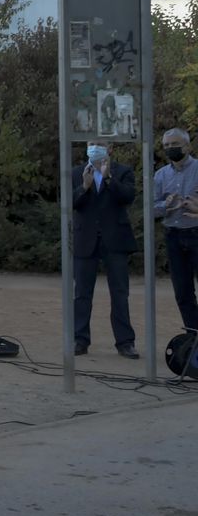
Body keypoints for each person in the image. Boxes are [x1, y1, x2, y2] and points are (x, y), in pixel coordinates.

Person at [72, 139, 138, 358]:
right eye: (92, 143)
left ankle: (125, 342)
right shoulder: (76, 172)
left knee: (119, 293)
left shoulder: (123, 171)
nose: (95, 147)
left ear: (110, 149)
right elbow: (69, 202)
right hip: (86, 240)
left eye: (101, 144)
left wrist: (108, 177)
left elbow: (128, 196)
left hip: (115, 240)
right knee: (82, 293)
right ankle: (80, 339)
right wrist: (84, 187)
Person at [154, 128, 198, 335]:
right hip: (173, 236)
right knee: (182, 292)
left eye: (175, 144)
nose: (171, 149)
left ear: (187, 146)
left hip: (196, 233)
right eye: (167, 146)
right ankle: (194, 338)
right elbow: (151, 207)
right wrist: (166, 205)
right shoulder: (160, 175)